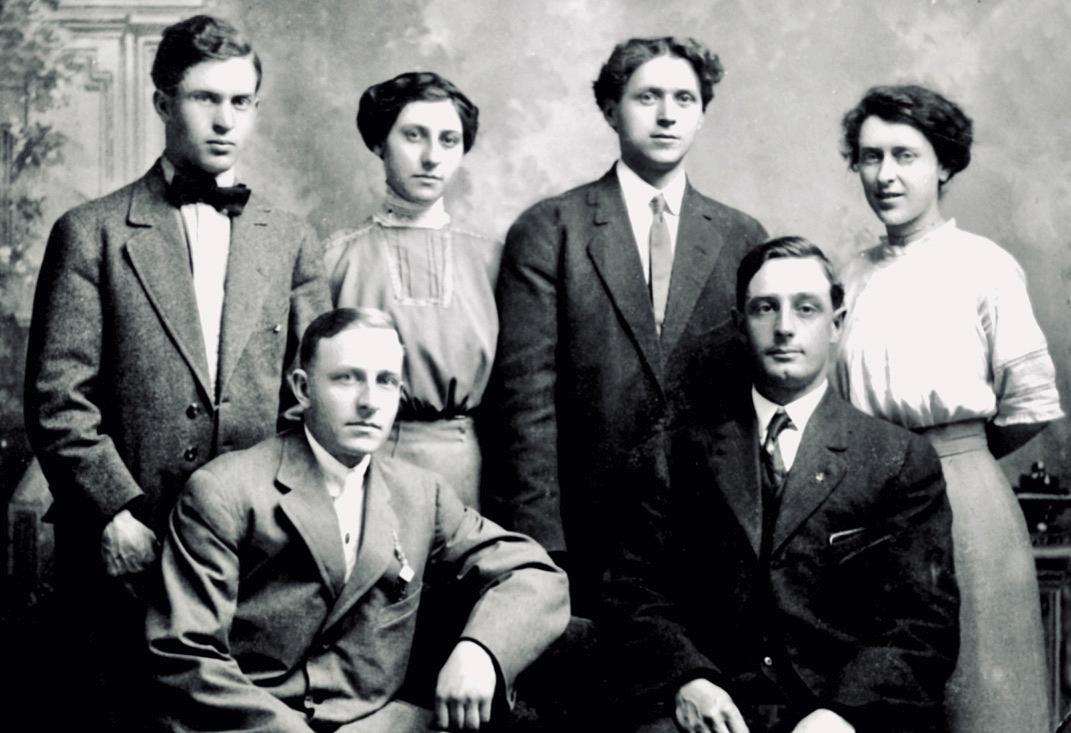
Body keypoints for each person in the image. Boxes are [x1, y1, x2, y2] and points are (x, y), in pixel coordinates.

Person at [23, 14, 329, 730]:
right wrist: (111, 511)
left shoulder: (290, 238)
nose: (224, 120)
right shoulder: (91, 233)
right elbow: (59, 399)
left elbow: (307, 395)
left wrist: (274, 516)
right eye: (204, 98)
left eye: (240, 101)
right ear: (163, 102)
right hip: (130, 547)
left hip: (254, 553)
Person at [146, 308, 570, 733]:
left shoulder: (421, 494)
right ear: (303, 389)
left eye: (386, 381)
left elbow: (534, 574)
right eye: (347, 378)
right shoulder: (224, 491)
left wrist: (480, 651)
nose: (369, 401)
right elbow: (186, 655)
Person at [604, 237, 959, 733]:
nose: (785, 327)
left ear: (836, 323)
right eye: (765, 308)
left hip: (844, 718)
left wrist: (842, 713)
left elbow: (922, 626)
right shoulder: (674, 451)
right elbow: (634, 592)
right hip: (712, 716)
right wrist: (690, 680)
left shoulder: (898, 459)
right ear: (739, 323)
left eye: (806, 308)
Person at [488, 35, 768, 619]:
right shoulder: (551, 229)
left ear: (702, 114)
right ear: (611, 109)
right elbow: (524, 403)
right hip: (588, 530)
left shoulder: (743, 237)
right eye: (647, 97)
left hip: (713, 534)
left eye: (684, 99)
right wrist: (541, 546)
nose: (667, 115)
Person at [835, 84, 1063, 733]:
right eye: (870, 157)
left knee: (980, 700)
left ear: (942, 164)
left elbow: (1030, 403)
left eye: (904, 155)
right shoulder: (850, 277)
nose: (885, 174)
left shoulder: (983, 266)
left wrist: (954, 456)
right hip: (867, 506)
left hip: (963, 504)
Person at [325, 71, 496, 510]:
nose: (431, 157)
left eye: (448, 140)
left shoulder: (495, 262)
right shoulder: (335, 259)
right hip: (360, 468)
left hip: (472, 471)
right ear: (380, 143)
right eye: (414, 136)